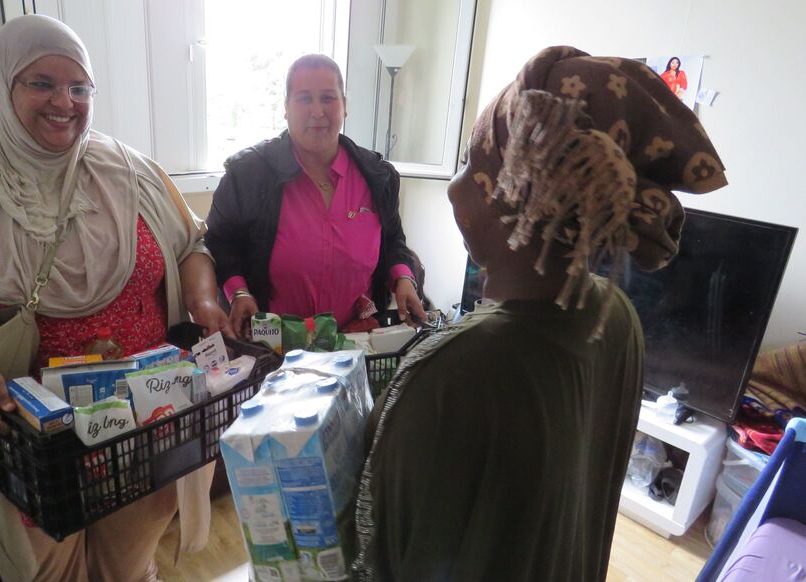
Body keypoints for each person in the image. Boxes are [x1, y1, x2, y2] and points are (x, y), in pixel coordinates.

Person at [348, 46, 727, 581]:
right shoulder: (615, 315)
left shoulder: (457, 372)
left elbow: (380, 556)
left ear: (514, 200)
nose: (454, 186)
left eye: (472, 163)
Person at [0, 15, 231, 582]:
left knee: (131, 563)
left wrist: (204, 303)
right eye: (41, 83)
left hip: (146, 417)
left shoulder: (131, 170)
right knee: (49, 572)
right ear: (5, 84)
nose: (63, 101)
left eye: (79, 86)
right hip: (34, 442)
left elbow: (191, 245)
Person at [205, 54, 426, 338]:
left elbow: (393, 239)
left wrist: (403, 278)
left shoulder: (377, 177)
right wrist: (238, 292)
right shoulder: (247, 175)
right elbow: (219, 243)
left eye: (328, 98)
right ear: (286, 107)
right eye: (304, 98)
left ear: (344, 106)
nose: (318, 111)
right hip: (275, 346)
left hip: (354, 341)